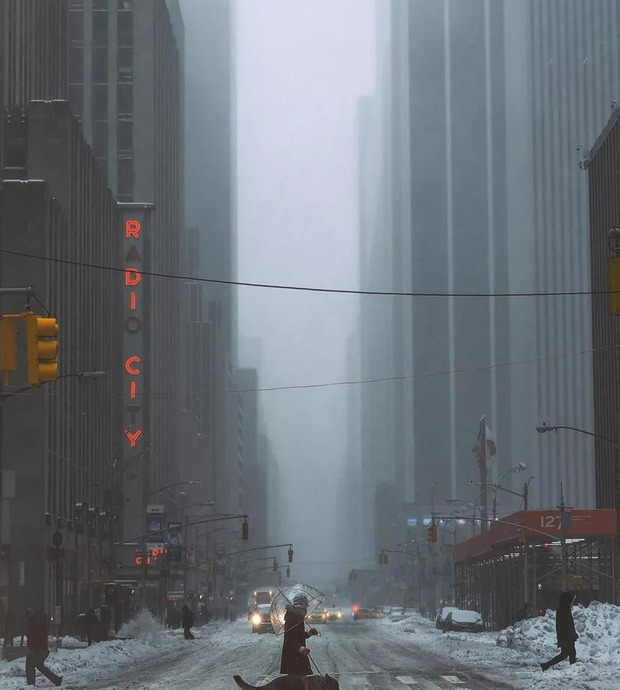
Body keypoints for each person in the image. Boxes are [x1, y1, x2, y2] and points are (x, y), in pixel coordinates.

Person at [280, 594, 319, 676]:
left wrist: (310, 633)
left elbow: (298, 635)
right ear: (300, 604)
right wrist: (300, 648)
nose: (308, 605)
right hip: (293, 657)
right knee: (296, 683)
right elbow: (290, 638)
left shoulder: (297, 617)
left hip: (297, 656)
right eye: (306, 603)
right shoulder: (293, 618)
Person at [540, 592, 579, 671]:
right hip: (566, 638)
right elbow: (565, 626)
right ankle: (547, 665)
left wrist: (573, 633)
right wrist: (571, 634)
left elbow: (569, 625)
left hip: (568, 637)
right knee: (565, 654)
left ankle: (574, 669)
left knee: (570, 653)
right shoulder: (563, 611)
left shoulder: (565, 611)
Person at [25, 608, 62, 687]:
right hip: (37, 648)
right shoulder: (34, 622)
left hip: (35, 648)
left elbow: (39, 637)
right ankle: (56, 680)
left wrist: (39, 648)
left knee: (29, 666)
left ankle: (30, 684)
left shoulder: (35, 623)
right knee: (39, 666)